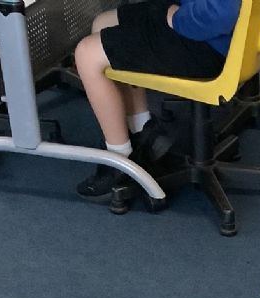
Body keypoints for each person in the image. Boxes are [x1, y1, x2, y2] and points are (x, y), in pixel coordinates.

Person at [74, 0, 241, 202]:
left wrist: (176, 19)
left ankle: (119, 159)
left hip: (207, 43)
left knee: (87, 53)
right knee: (104, 23)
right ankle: (143, 133)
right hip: (208, 29)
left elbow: (219, 15)